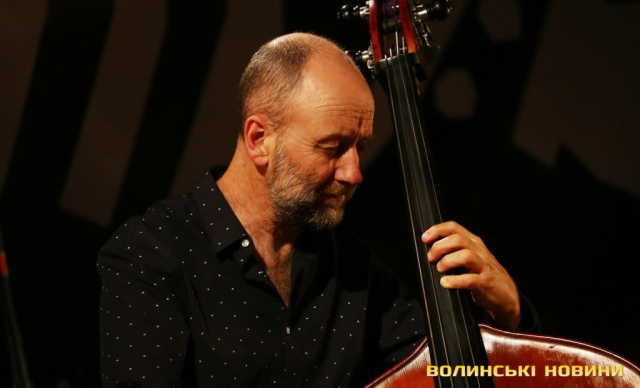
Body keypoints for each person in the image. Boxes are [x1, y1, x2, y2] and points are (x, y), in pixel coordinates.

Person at [97, 32, 538, 387]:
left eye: (360, 147)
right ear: (259, 139)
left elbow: (452, 374)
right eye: (332, 147)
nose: (354, 172)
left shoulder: (353, 268)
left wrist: (510, 313)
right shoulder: (151, 253)